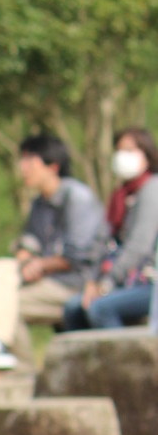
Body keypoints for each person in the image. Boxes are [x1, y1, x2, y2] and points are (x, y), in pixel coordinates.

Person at [0, 133, 104, 371]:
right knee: (3, 298)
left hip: (79, 283)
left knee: (6, 302)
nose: (23, 168)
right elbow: (29, 242)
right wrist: (25, 256)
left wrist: (40, 265)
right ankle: (12, 361)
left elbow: (78, 255)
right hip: (51, 283)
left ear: (53, 166)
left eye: (30, 161)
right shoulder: (40, 203)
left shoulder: (77, 198)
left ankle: (16, 365)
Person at [59, 128, 158, 333]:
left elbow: (139, 247)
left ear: (146, 154)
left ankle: (127, 363)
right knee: (73, 309)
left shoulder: (152, 190)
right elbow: (104, 243)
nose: (122, 156)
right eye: (119, 150)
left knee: (100, 308)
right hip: (123, 281)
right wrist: (94, 281)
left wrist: (107, 283)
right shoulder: (120, 197)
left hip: (147, 282)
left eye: (130, 150)